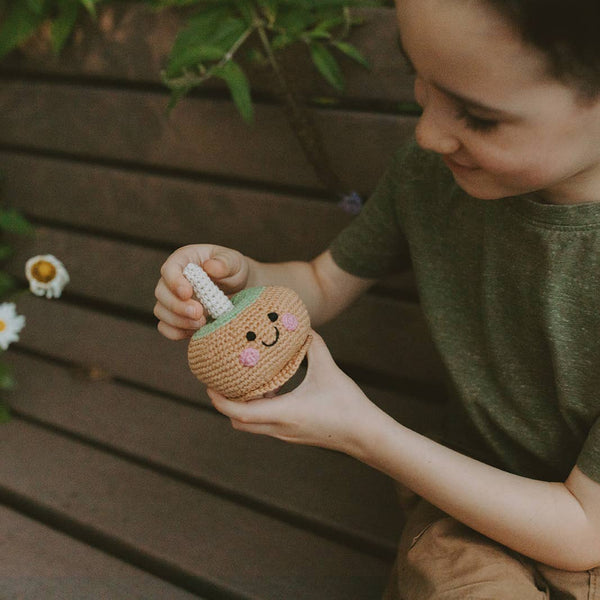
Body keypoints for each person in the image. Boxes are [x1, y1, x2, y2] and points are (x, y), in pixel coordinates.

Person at [154, 0, 600, 597]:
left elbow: (582, 529)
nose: (428, 132)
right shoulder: (430, 176)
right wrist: (243, 286)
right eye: (417, 76)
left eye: (477, 116)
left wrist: (362, 430)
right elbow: (321, 283)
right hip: (469, 507)